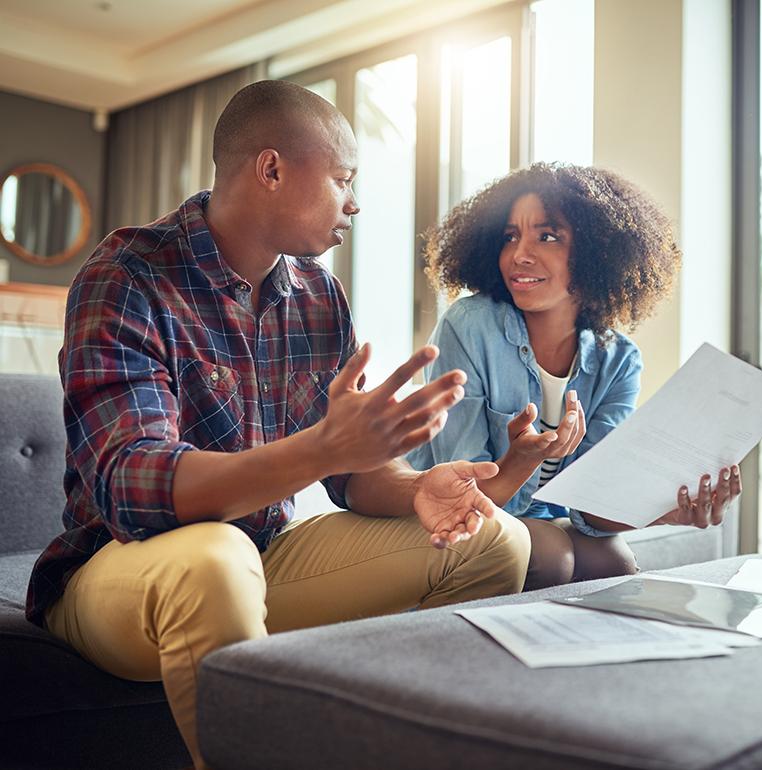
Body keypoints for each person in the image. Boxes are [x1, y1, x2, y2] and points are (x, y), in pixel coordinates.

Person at [24, 80, 531, 770]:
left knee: (494, 540)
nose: (354, 202)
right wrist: (319, 448)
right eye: (343, 180)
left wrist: (415, 488)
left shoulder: (319, 294)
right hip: (115, 571)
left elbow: (352, 474)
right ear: (270, 169)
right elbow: (132, 485)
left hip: (258, 557)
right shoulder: (129, 274)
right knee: (213, 558)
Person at [406, 163, 741, 589]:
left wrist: (665, 510)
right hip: (449, 512)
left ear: (598, 254)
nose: (519, 254)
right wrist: (525, 458)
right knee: (552, 554)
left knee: (613, 558)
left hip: (537, 518)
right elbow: (468, 488)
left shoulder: (618, 361)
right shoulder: (469, 326)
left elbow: (588, 502)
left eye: (547, 236)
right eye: (510, 236)